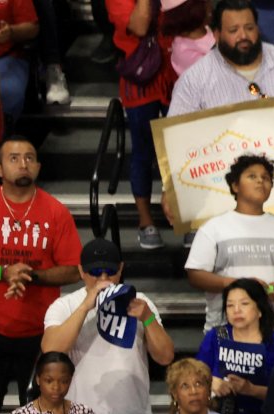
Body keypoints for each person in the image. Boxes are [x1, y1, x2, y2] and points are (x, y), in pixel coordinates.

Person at [40, 239, 174, 414]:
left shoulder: (141, 301)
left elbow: (165, 356)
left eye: (110, 272)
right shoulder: (66, 305)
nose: (103, 279)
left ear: (121, 269)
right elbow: (51, 349)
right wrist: (86, 306)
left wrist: (147, 317)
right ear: (81, 271)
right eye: (94, 272)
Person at [184, 154, 274, 345]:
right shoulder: (213, 227)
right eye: (252, 176)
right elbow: (195, 275)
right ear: (235, 186)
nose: (260, 180)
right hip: (225, 333)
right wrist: (238, 285)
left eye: (266, 178)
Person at [166, 0, 274, 146]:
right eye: (233, 30)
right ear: (216, 35)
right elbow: (173, 136)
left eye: (249, 28)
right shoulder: (194, 79)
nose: (243, 36)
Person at [0, 138, 84, 409]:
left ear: (37, 166)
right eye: (13, 158)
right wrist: (3, 272)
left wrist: (31, 276)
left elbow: (74, 270)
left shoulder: (55, 211)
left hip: (41, 334)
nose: (23, 164)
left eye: (29, 158)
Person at [191, 278, 274, 414]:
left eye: (244, 303)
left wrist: (252, 390)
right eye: (230, 305)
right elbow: (193, 375)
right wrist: (211, 382)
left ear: (260, 309)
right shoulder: (216, 337)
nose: (236, 310)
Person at [108, 0, 177, 250]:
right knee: (143, 150)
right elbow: (139, 25)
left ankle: (188, 217)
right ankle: (145, 221)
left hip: (177, 70)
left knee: (183, 146)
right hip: (140, 76)